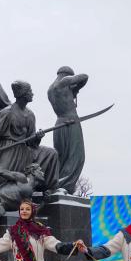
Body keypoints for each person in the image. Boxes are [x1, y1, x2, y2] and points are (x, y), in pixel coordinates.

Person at [0, 80, 43, 175]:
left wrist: (37, 137)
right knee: (0, 176)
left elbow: (30, 141)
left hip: (24, 150)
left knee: (51, 153)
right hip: (8, 149)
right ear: (23, 94)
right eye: (30, 91)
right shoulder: (7, 112)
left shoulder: (30, 115)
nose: (32, 94)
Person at [47, 66, 89, 194]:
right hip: (71, 122)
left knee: (62, 157)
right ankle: (64, 185)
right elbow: (84, 77)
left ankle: (57, 183)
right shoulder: (64, 82)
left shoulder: (50, 90)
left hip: (59, 124)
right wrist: (75, 85)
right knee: (77, 156)